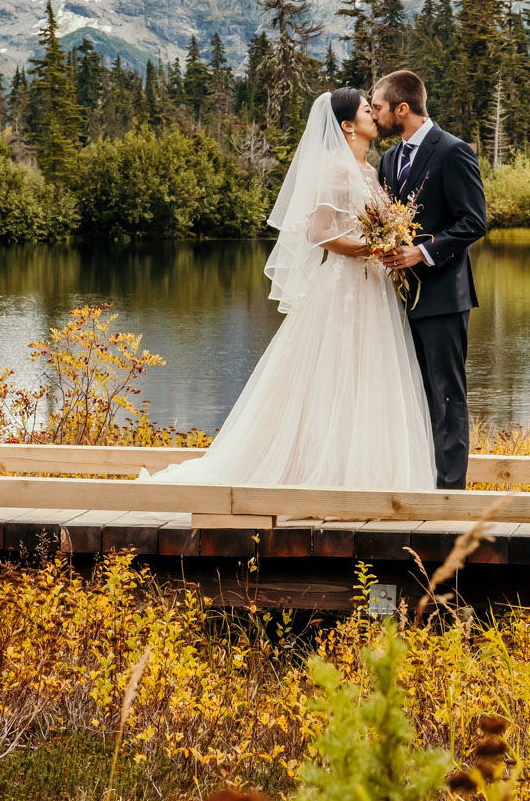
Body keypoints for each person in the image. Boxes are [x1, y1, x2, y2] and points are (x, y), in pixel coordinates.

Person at [151, 88, 436, 489]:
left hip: (373, 288)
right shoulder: (337, 169)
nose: (375, 115)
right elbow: (318, 233)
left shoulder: (370, 171)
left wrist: (386, 245)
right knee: (335, 374)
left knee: (368, 376)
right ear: (347, 125)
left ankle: (367, 476)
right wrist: (372, 247)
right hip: (343, 288)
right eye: (367, 111)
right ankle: (321, 474)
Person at [368, 69, 487, 490]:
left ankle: (450, 493)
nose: (374, 114)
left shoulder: (452, 151)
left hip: (442, 299)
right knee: (409, 395)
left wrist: (422, 252)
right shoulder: (388, 159)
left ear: (403, 108)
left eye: (379, 107)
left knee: (447, 397)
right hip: (396, 302)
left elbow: (474, 221)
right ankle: (419, 481)